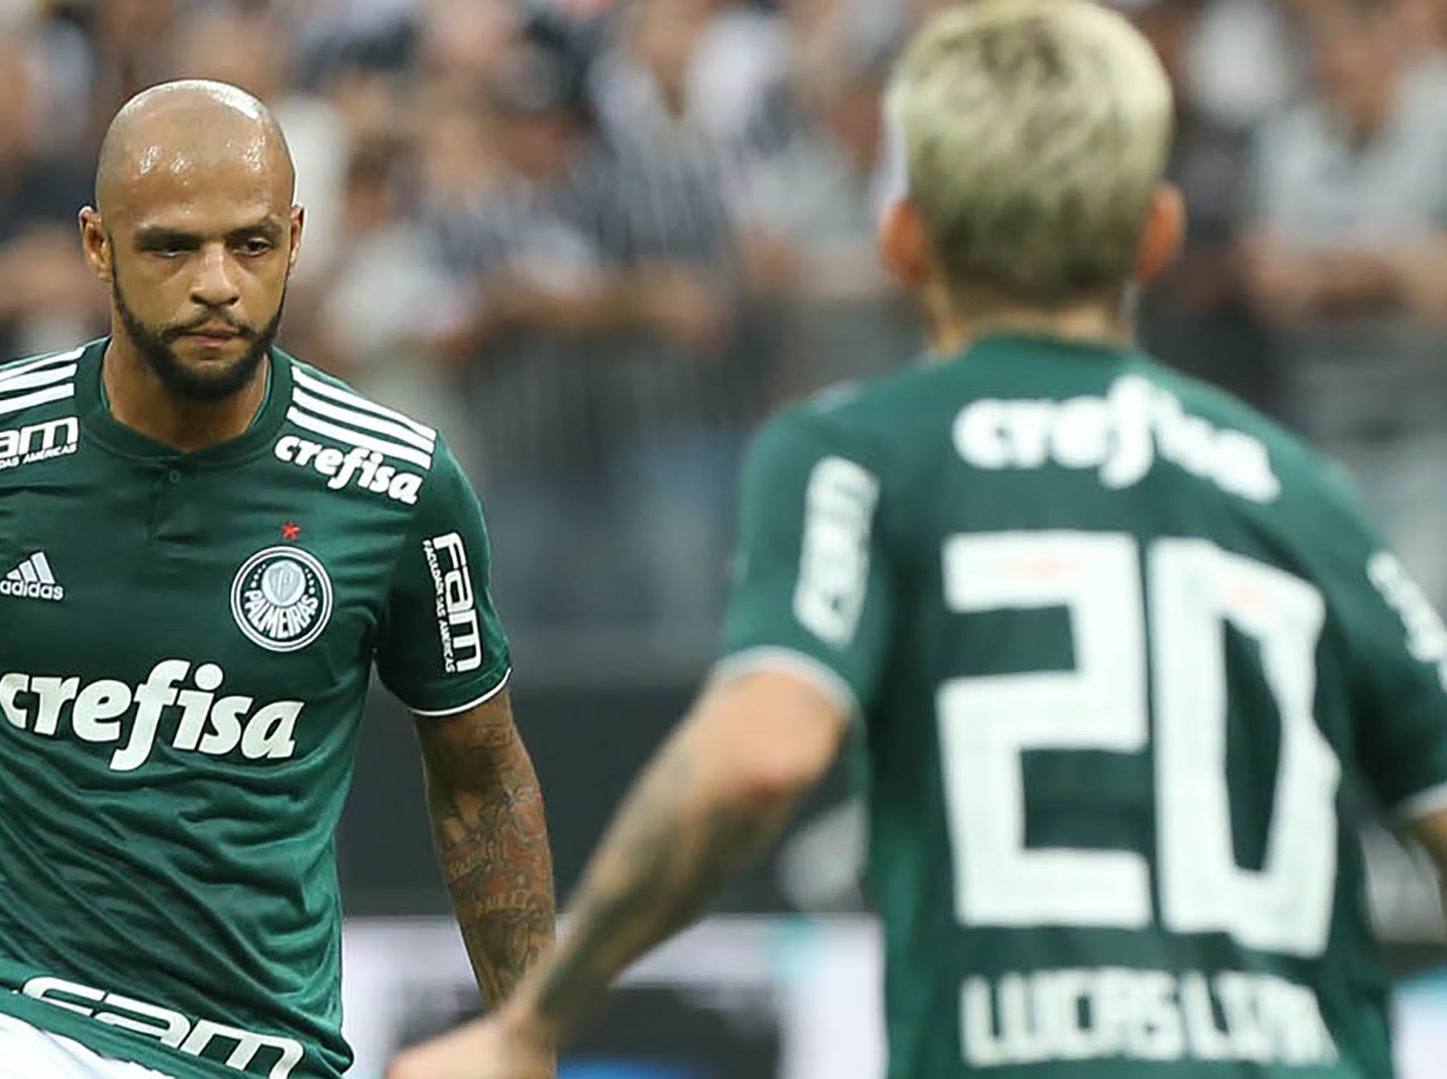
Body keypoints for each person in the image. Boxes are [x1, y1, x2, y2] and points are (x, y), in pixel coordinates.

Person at [389, 3, 1447, 1077]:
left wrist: (534, 1023)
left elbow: (762, 751)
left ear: (902, 237)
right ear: (1158, 233)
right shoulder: (1297, 486)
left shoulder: (857, 454)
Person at [0, 79, 555, 1079]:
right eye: (174, 246)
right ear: (98, 245)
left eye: (252, 244)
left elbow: (482, 779)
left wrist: (527, 1034)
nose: (218, 281)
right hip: (0, 1008)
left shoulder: (398, 486)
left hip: (265, 1044)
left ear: (297, 238)